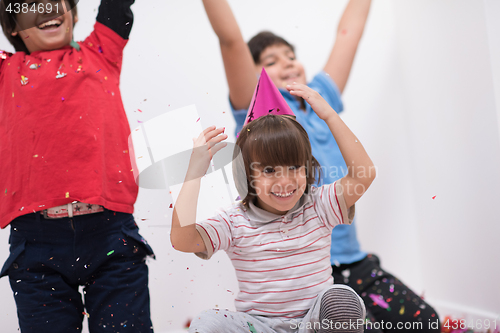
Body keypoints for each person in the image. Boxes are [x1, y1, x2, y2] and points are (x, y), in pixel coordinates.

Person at [201, 0, 440, 331]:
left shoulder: (319, 99)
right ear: (254, 77)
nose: (288, 63)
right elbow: (230, 40)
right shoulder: (256, 114)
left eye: (290, 56)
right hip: (304, 279)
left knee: (425, 322)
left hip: (354, 264)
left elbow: (349, 35)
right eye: (271, 61)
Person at [171, 69, 377, 332]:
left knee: (342, 299)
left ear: (307, 167)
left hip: (311, 326)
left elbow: (365, 174)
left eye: (294, 167)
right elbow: (182, 240)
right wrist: (194, 173)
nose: (285, 181)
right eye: (269, 170)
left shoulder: (319, 204)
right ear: (247, 175)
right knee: (207, 322)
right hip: (259, 327)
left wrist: (328, 115)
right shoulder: (234, 220)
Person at [0, 1, 154, 332]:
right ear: (12, 26)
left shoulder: (102, 51)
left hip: (111, 234)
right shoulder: (5, 72)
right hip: (36, 245)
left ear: (73, 12)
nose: (46, 11)